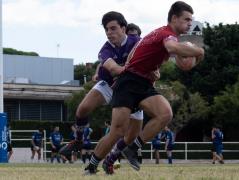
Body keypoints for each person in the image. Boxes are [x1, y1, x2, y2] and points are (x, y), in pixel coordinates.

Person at [89, 1, 204, 174]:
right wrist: (199, 52)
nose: (190, 23)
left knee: (165, 113)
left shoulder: (167, 35)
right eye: (187, 19)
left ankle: (132, 149)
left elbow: (168, 55)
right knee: (117, 132)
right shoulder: (167, 34)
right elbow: (172, 48)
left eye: (191, 20)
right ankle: (91, 166)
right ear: (174, 18)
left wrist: (163, 65)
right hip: (128, 81)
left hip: (144, 83)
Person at [60, 11, 144, 165]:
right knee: (82, 109)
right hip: (110, 86)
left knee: (131, 136)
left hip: (133, 91)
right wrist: (130, 68)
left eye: (113, 28)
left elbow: (153, 58)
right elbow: (114, 69)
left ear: (123, 28)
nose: (109, 33)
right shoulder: (105, 50)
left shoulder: (137, 41)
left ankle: (111, 158)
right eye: (106, 29)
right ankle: (78, 140)